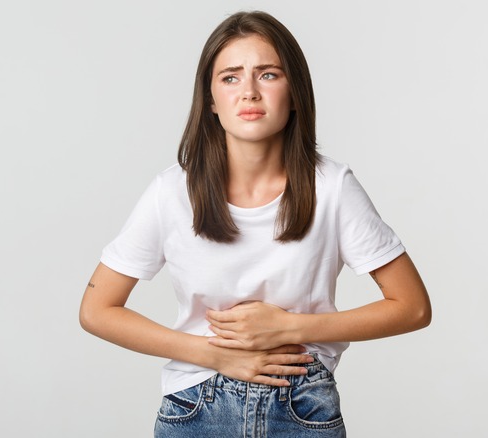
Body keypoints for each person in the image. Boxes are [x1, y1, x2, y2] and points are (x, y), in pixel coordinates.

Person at [79, 10, 431, 437]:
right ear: (210, 99)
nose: (248, 92)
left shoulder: (332, 187)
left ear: (295, 92)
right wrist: (213, 354)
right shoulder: (171, 192)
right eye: (230, 77)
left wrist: (292, 326)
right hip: (196, 407)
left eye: (267, 75)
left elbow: (412, 307)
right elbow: (97, 310)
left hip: (303, 407)